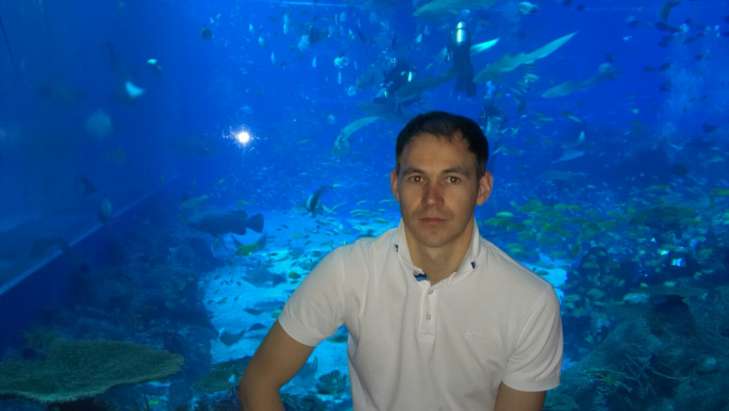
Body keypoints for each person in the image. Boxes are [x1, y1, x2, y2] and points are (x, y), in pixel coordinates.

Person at [238, 111, 563, 411]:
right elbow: (258, 383)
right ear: (395, 184)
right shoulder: (348, 271)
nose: (432, 198)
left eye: (452, 179)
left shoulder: (530, 302)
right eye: (417, 178)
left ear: (483, 188)